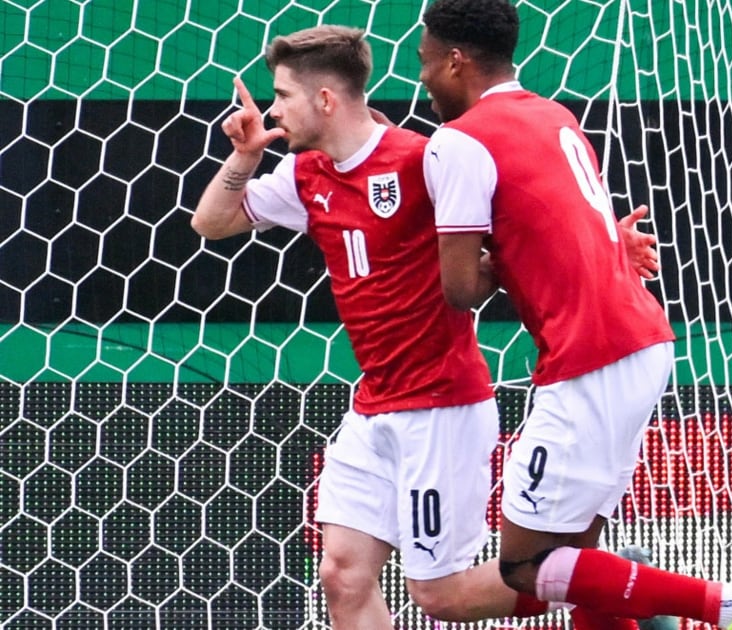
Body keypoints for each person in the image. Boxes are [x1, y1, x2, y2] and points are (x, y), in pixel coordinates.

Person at [190, 24, 591, 627]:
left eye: (282, 95)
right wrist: (245, 157)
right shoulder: (307, 176)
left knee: (441, 597)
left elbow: (521, 230)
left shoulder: (422, 160)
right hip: (374, 407)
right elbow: (211, 223)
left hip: (441, 410)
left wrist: (609, 245)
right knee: (341, 575)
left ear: (325, 100)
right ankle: (593, 579)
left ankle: (599, 581)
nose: (272, 110)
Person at [415, 1, 732, 628]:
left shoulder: (459, 140)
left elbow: (459, 288)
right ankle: (640, 589)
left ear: (456, 61)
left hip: (592, 357)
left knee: (525, 566)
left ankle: (728, 605)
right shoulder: (552, 114)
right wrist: (600, 245)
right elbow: (562, 223)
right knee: (576, 561)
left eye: (425, 62)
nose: (422, 79)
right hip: (637, 340)